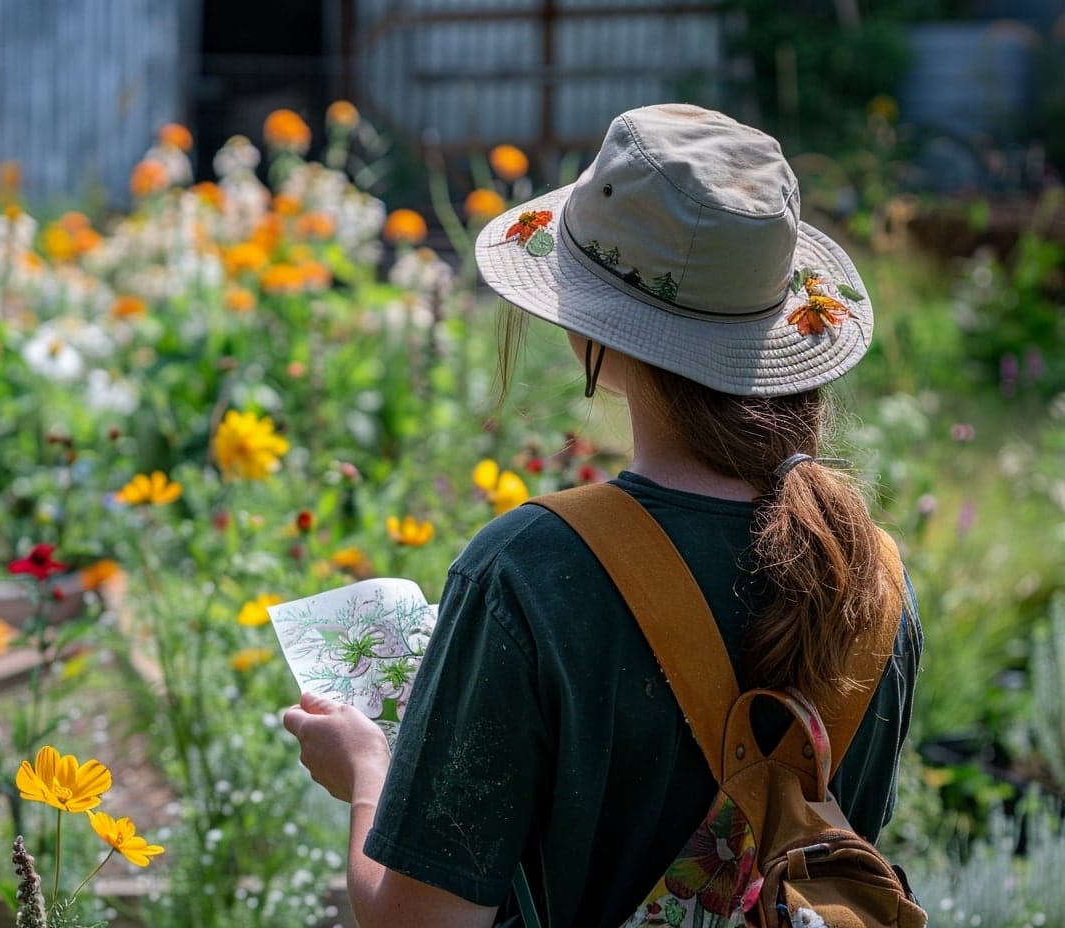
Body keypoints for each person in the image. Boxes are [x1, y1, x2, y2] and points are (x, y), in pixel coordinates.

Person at [283, 103, 921, 928]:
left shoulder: (530, 570)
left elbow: (418, 922)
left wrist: (369, 773)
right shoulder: (873, 581)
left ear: (602, 334)